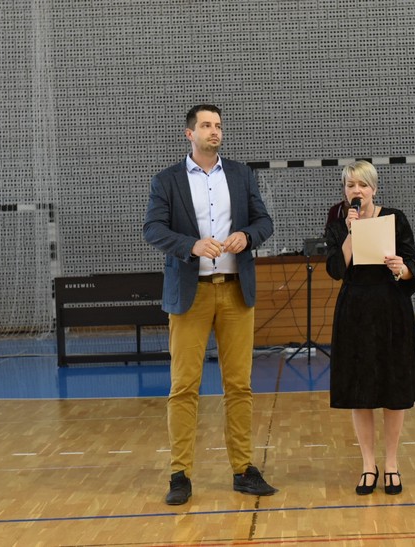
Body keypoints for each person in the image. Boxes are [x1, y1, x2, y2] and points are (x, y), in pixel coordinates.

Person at [143, 104, 277, 505]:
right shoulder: (166, 180)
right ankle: (180, 474)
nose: (214, 130)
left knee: (239, 385)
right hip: (191, 294)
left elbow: (264, 222)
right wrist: (192, 246)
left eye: (218, 125)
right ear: (190, 134)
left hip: (236, 292)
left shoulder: (241, 174)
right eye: (206, 125)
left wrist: (247, 237)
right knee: (184, 386)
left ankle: (243, 469)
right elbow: (153, 229)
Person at [324, 160, 415, 495]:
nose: (357, 191)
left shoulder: (395, 218)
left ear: (374, 189)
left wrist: (401, 268)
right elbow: (335, 269)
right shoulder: (337, 223)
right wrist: (351, 234)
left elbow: (412, 265)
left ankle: (391, 463)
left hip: (391, 309)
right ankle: (368, 464)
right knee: (360, 390)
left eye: (362, 185)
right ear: (345, 191)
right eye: (351, 185)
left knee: (394, 390)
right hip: (355, 310)